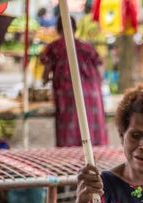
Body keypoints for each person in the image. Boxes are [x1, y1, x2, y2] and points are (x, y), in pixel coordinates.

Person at [40, 16, 108, 147]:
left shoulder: (54, 47)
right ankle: (93, 157)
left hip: (68, 93)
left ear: (58, 29)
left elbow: (45, 72)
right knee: (90, 125)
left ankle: (71, 162)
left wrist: (46, 79)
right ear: (75, 29)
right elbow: (100, 71)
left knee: (68, 129)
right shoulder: (87, 47)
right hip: (92, 92)